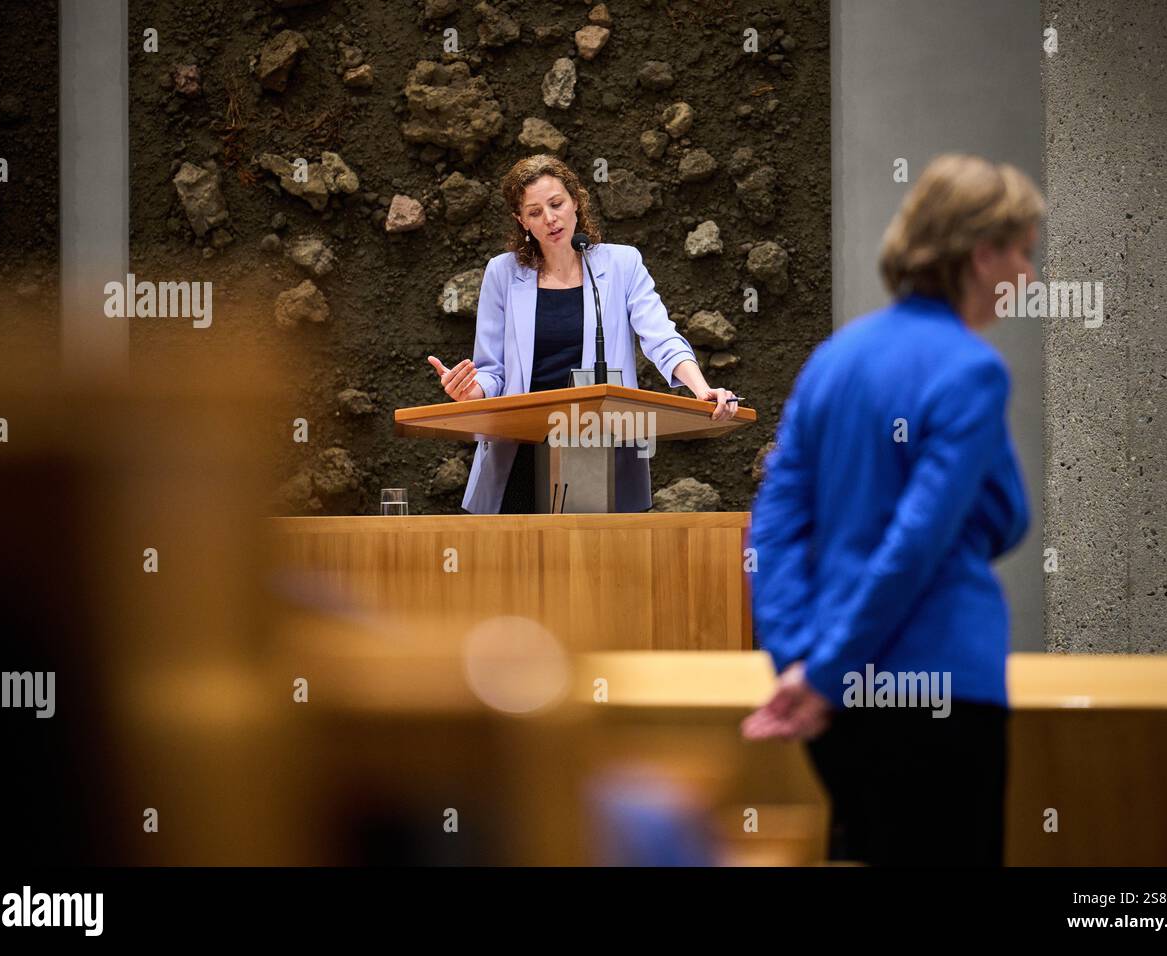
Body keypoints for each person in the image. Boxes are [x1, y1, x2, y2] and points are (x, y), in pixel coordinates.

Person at [741, 154, 1044, 867]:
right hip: (939, 678)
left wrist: (800, 660)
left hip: (834, 697)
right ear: (982, 253)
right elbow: (918, 541)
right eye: (1023, 254)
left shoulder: (834, 359)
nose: (1029, 277)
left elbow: (776, 525)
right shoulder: (971, 369)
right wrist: (826, 672)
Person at [426, 154, 737, 514]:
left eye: (556, 204)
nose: (550, 218)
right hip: (521, 445)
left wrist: (702, 389)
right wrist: (471, 390)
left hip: (596, 442)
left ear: (576, 200)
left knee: (591, 563)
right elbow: (492, 371)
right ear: (521, 221)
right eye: (535, 212)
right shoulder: (503, 273)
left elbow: (660, 337)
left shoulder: (622, 264)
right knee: (524, 565)